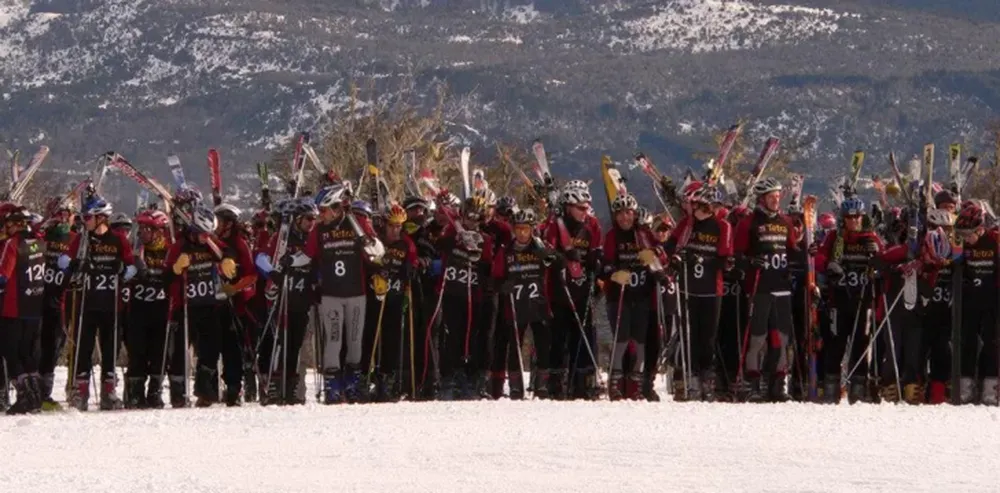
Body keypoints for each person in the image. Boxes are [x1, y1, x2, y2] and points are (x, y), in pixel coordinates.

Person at [0, 206, 47, 414]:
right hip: (34, 306)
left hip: (13, 306)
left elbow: (3, 275)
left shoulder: (13, 244)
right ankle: (35, 395)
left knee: (11, 353)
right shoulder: (39, 243)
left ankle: (24, 395)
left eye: (8, 224)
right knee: (28, 353)